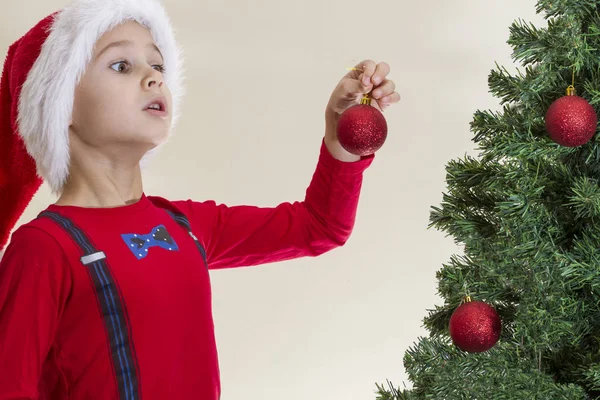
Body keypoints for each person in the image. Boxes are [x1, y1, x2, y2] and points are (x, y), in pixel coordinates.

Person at [0, 0, 400, 399]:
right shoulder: (42, 249)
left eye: (157, 66)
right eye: (121, 65)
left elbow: (320, 227)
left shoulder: (182, 224)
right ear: (59, 100)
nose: (154, 78)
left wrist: (339, 134)